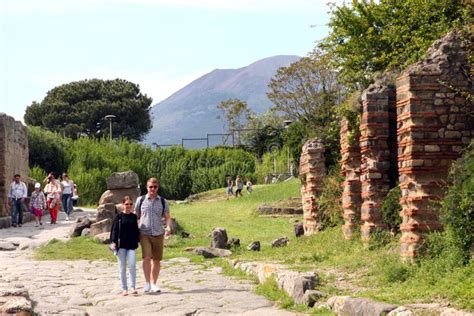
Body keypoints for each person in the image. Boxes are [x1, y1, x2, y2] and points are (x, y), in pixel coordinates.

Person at [135, 178, 172, 294]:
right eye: (150, 187)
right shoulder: (140, 200)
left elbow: (167, 217)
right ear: (147, 187)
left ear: (158, 187)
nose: (153, 189)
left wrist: (169, 227)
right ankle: (146, 283)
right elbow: (135, 216)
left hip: (158, 233)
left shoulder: (162, 201)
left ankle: (153, 283)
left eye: (155, 187)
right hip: (144, 233)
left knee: (156, 260)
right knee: (146, 257)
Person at [110, 196, 140, 296]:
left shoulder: (134, 216)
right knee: (122, 267)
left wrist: (138, 240)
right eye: (127, 204)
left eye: (131, 204)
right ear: (123, 205)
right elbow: (114, 231)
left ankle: (133, 287)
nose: (129, 206)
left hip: (132, 245)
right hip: (121, 246)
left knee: (132, 265)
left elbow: (136, 230)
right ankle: (124, 288)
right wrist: (113, 242)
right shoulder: (118, 217)